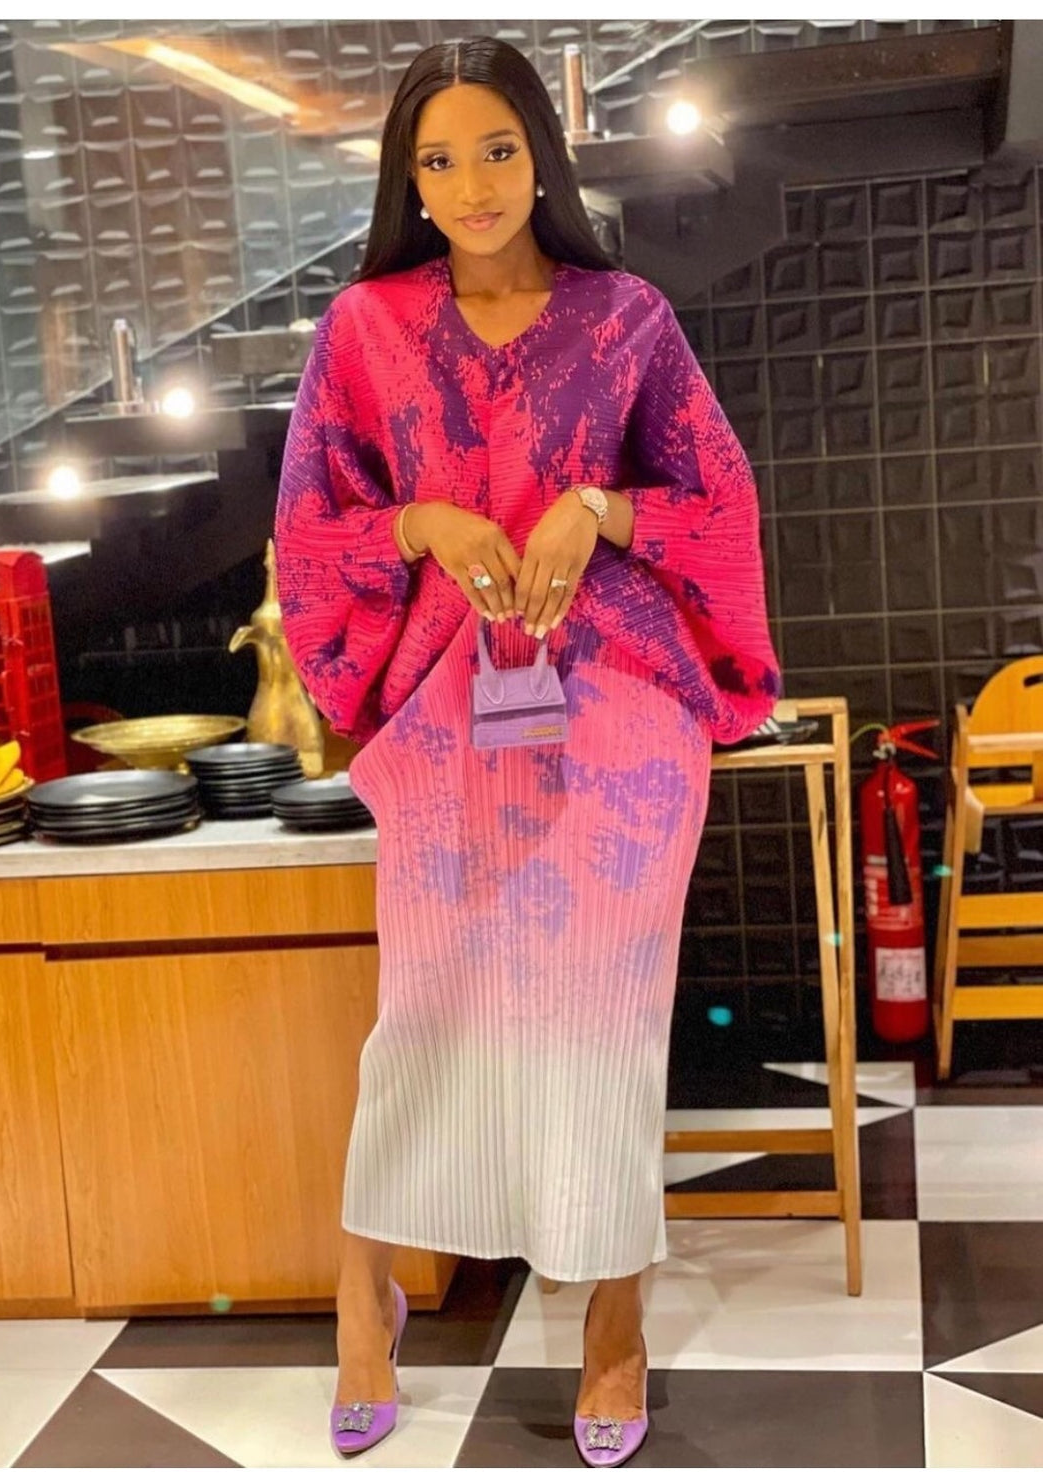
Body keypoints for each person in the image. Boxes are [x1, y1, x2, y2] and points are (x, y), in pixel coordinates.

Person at [273, 34, 780, 1467]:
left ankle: (612, 1323)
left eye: (498, 149)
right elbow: (310, 529)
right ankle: (364, 1297)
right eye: (437, 159)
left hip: (618, 711)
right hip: (448, 713)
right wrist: (420, 523)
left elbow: (720, 502)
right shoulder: (365, 329)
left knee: (606, 1024)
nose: (473, 183)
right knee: (423, 1017)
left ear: (541, 157)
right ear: (408, 179)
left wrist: (599, 509)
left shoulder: (626, 320)